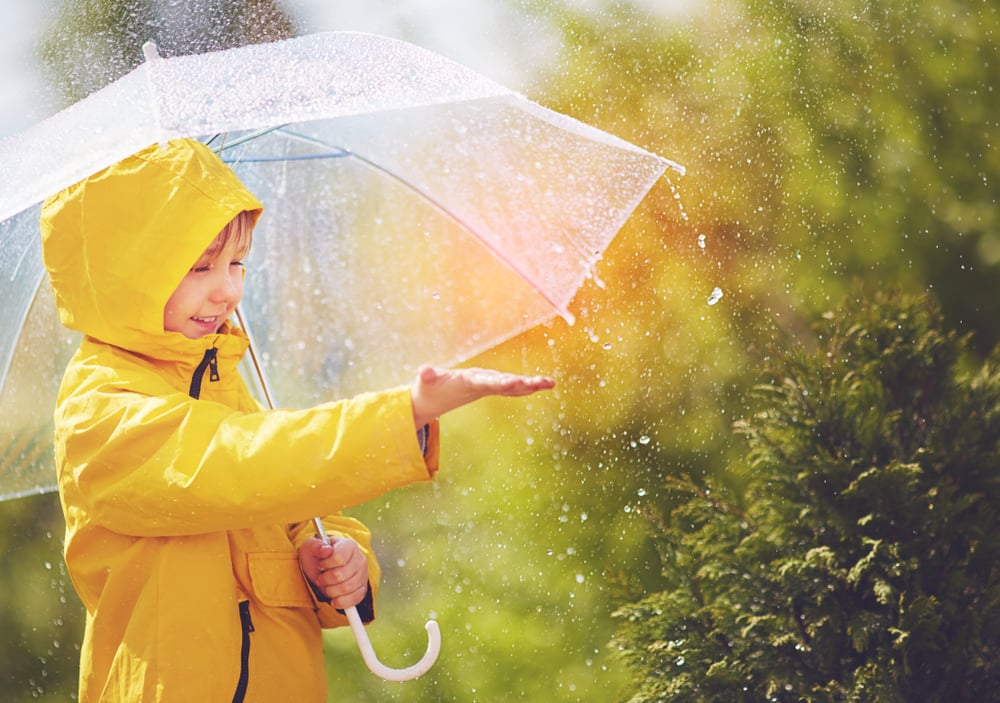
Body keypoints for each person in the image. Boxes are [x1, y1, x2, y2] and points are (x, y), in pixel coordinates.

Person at [40, 138, 554, 703]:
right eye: (198, 266)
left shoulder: (224, 379)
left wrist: (343, 567)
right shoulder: (100, 406)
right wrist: (401, 415)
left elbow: (292, 509)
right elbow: (246, 465)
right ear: (124, 274)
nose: (227, 288)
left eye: (236, 263)